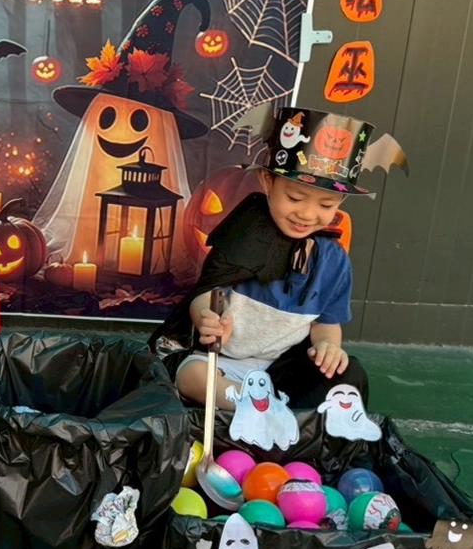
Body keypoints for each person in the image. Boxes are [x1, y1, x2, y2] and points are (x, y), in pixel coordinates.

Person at [150, 107, 406, 411]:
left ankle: (269, 408)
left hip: (279, 370)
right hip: (220, 363)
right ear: (268, 182)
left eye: (326, 205)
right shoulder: (243, 237)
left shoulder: (333, 261)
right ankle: (255, 407)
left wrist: (328, 346)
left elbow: (326, 324)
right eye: (294, 198)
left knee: (347, 376)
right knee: (193, 377)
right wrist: (207, 317)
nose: (307, 214)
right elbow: (206, 291)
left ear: (342, 201)